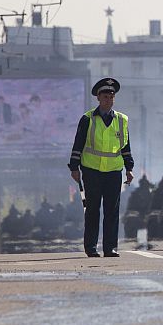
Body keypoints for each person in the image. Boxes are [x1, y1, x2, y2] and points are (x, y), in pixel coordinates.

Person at [68, 77, 133, 257]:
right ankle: (91, 247)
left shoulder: (122, 120)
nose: (108, 100)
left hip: (113, 172)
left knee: (112, 211)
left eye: (111, 96)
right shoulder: (87, 119)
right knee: (92, 210)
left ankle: (110, 248)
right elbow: (78, 144)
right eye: (105, 96)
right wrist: (74, 168)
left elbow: (126, 147)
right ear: (98, 97)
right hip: (92, 171)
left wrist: (129, 168)